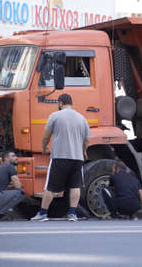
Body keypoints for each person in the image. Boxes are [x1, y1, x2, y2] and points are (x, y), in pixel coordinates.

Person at [31, 93, 90, 222]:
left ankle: (42, 213)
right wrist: (83, 151)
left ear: (60, 103)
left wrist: (44, 147)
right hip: (77, 158)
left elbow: (46, 135)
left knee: (50, 187)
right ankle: (72, 214)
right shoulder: (82, 118)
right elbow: (86, 140)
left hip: (60, 157)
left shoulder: (55, 116)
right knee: (75, 186)